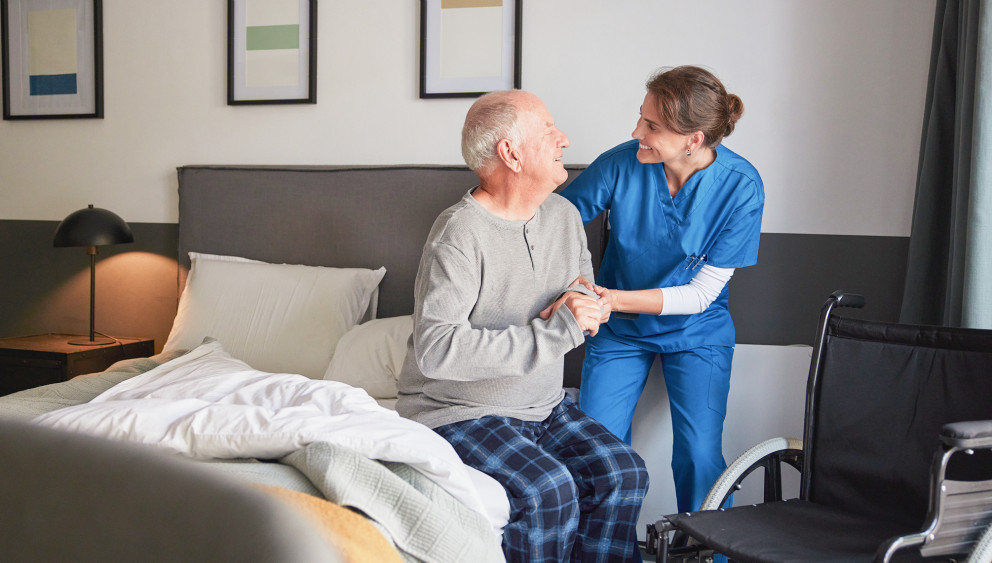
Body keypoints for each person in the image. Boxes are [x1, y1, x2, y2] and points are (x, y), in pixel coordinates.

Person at [396, 89, 649, 563]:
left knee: (624, 473)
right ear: (510, 154)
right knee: (548, 491)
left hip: (543, 406)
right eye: (548, 131)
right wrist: (558, 328)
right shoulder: (459, 234)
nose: (564, 139)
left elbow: (580, 293)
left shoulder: (565, 216)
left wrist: (584, 305)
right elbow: (438, 349)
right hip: (460, 411)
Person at [559, 66, 764, 515]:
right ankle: (605, 550)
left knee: (699, 454)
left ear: (693, 139)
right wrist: (575, 282)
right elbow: (559, 223)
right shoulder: (621, 163)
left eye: (651, 125)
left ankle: (711, 552)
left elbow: (700, 294)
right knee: (598, 449)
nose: (637, 132)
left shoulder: (741, 188)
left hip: (696, 329)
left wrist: (610, 299)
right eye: (641, 118)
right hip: (619, 331)